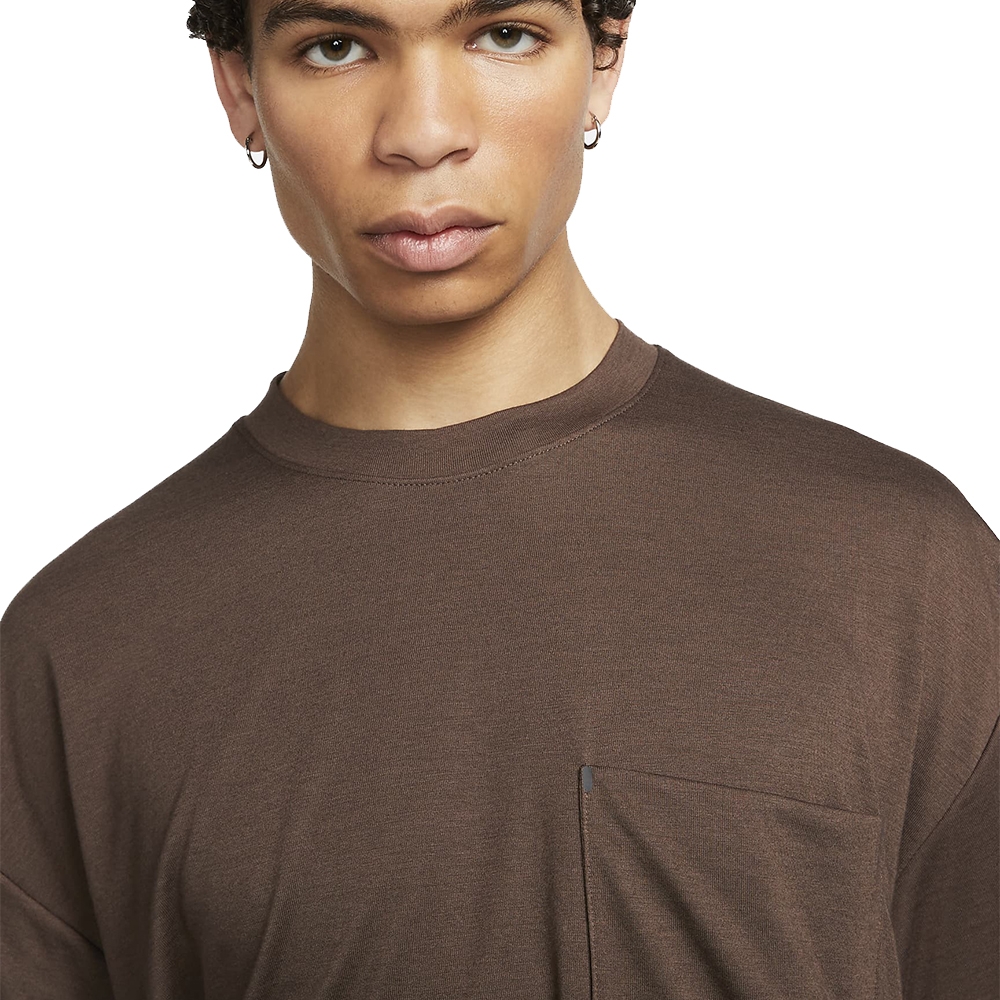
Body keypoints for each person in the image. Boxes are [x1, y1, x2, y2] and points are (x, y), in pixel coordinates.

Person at [1, 0, 996, 996]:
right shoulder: (78, 654)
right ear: (239, 88)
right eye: (335, 48)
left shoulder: (900, 571)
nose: (424, 133)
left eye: (503, 34)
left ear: (604, 57)